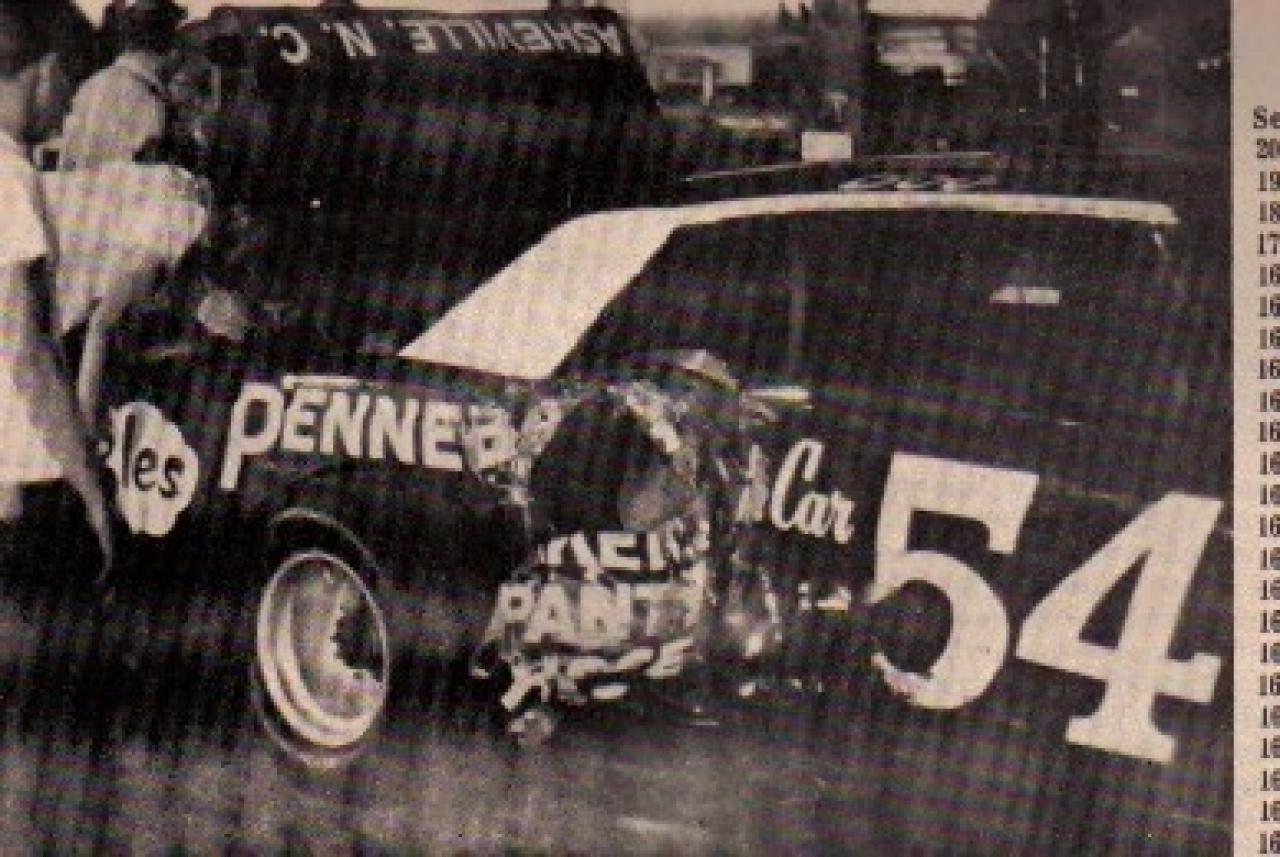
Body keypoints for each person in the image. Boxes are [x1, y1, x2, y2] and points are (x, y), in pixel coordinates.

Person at [0, 0, 112, 570]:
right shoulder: (10, 180)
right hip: (20, 481)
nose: (71, 109)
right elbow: (31, 353)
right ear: (45, 72)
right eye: (72, 85)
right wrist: (91, 487)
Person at [58, 0, 186, 170]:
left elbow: (65, 164)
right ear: (170, 47)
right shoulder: (148, 97)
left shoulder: (90, 87)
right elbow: (152, 175)